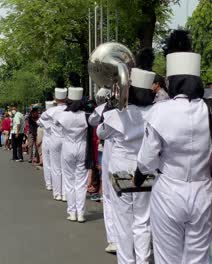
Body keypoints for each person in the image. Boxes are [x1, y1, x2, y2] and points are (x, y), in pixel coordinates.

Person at [134, 30, 212, 264]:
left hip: (169, 190)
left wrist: (138, 176)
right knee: (198, 258)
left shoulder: (161, 111)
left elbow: (147, 160)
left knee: (168, 257)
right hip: (203, 191)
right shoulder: (208, 110)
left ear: (173, 81)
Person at [98, 48, 156, 263]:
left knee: (123, 221)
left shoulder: (117, 115)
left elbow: (100, 132)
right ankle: (143, 260)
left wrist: (113, 104)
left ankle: (126, 261)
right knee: (143, 221)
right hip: (145, 170)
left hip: (121, 170)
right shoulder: (155, 112)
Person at [88, 90, 117, 254]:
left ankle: (114, 239)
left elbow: (94, 123)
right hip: (138, 157)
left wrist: (102, 108)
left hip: (112, 152)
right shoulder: (148, 109)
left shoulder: (107, 109)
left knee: (110, 196)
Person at [56, 73, 88, 223]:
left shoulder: (63, 116)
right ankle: (81, 213)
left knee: (69, 181)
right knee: (81, 182)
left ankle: (72, 212)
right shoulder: (85, 116)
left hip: (68, 146)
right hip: (82, 146)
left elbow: (56, 123)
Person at [38, 82, 67, 198]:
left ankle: (57, 192)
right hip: (66, 139)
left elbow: (41, 119)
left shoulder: (51, 111)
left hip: (53, 139)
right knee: (65, 168)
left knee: (54, 166)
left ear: (56, 98)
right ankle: (65, 193)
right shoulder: (70, 109)